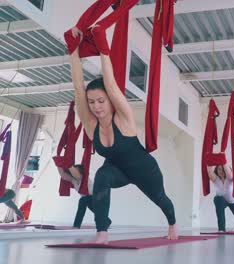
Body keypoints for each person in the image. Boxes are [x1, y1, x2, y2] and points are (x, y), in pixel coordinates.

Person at [69, 25, 177, 243]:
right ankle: (102, 231)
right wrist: (73, 49)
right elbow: (79, 89)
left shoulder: (123, 119)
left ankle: (173, 223)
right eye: (92, 103)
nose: (96, 106)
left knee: (160, 199)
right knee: (101, 176)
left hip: (145, 169)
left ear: (110, 100)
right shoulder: (92, 126)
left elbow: (110, 84)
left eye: (101, 101)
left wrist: (102, 47)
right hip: (117, 171)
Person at [207, 163, 234, 232]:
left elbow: (229, 173)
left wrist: (223, 159)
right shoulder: (216, 179)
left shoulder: (230, 178)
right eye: (219, 169)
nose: (221, 171)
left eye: (223, 169)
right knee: (218, 199)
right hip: (222, 201)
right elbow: (209, 171)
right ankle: (221, 229)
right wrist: (210, 160)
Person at [57, 164, 94, 229]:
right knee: (96, 210)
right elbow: (63, 176)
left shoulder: (83, 178)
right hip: (87, 198)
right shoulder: (74, 180)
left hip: (95, 197)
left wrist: (68, 163)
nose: (73, 171)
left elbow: (78, 176)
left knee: (83, 201)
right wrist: (58, 164)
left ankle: (76, 225)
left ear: (80, 172)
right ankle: (107, 221)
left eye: (75, 170)